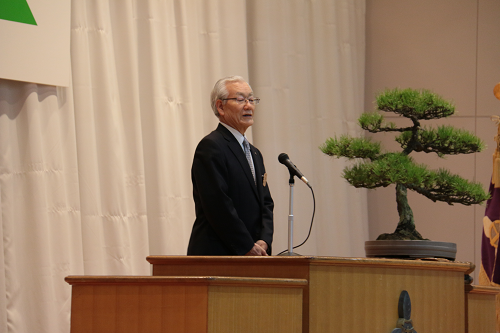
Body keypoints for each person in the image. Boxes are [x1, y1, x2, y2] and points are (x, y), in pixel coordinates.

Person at [187, 76, 274, 256]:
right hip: (219, 255)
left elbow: (266, 203)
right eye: (241, 100)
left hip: (254, 255)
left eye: (251, 100)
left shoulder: (255, 153)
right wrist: (246, 246)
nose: (249, 106)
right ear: (220, 107)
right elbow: (218, 206)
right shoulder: (212, 146)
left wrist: (264, 240)